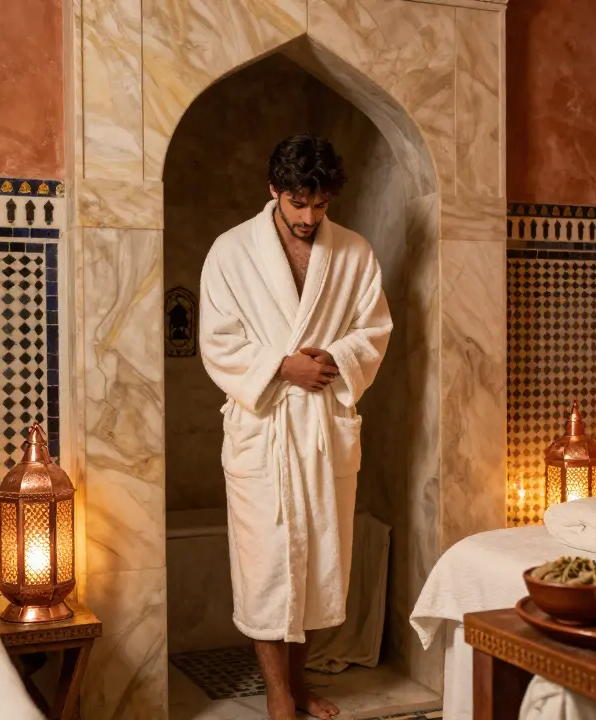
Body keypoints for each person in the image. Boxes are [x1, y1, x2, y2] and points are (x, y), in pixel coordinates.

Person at [198, 134, 393, 720]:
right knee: (265, 565)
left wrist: (334, 359)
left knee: (311, 566)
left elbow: (374, 329)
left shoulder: (354, 253)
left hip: (320, 428)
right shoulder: (230, 252)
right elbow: (216, 340)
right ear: (274, 190)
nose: (309, 218)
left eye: (321, 205)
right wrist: (282, 366)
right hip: (265, 426)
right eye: (298, 204)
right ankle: (279, 693)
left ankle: (299, 684)